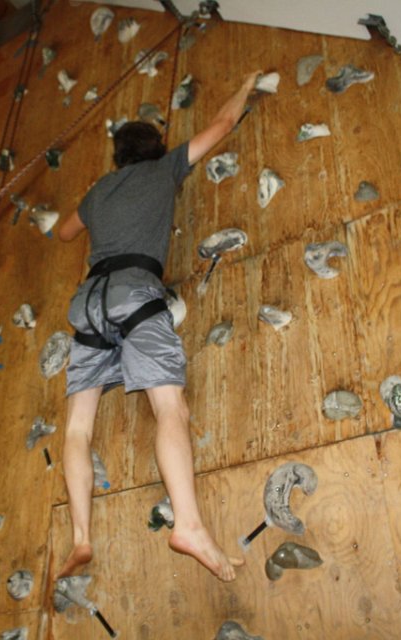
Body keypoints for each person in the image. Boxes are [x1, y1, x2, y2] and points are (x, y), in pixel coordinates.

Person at [56, 71, 261, 582]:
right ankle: (187, 525)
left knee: (78, 427)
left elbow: (63, 233)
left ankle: (81, 537)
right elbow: (223, 123)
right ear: (156, 148)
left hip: (87, 303)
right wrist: (247, 83)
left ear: (118, 157)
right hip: (134, 291)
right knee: (170, 407)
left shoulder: (99, 191)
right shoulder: (164, 169)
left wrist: (96, 205)